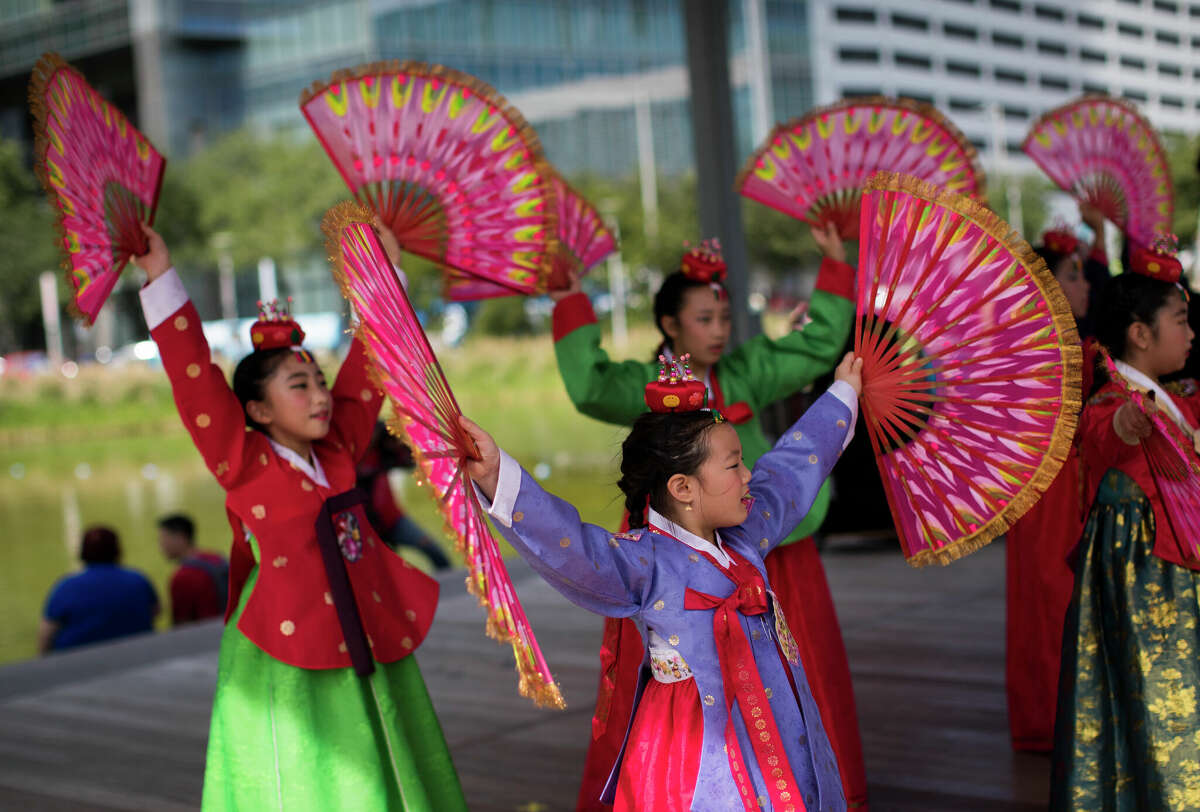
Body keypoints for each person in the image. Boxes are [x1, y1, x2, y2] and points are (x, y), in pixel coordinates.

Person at [132, 222, 466, 811]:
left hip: (361, 630)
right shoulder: (242, 461)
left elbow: (370, 365)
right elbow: (194, 378)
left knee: (384, 760)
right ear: (257, 409)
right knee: (301, 777)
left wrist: (385, 278)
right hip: (285, 647)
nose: (319, 396)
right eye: (298, 386)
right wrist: (160, 276)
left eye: (318, 381)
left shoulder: (338, 450)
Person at [463, 351, 863, 812]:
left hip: (778, 723)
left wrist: (843, 394)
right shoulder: (643, 563)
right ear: (683, 488)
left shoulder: (744, 534)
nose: (748, 475)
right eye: (734, 466)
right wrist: (497, 475)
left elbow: (792, 471)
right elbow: (570, 543)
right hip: (691, 746)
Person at [551, 231, 869, 810]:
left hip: (764, 549)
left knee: (792, 666)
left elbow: (814, 366)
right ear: (671, 326)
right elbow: (589, 385)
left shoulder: (747, 373)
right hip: (675, 571)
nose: (719, 329)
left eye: (724, 316)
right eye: (704, 318)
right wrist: (571, 300)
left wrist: (836, 277)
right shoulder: (642, 404)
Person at [1051, 243, 1199, 810]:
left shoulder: (1178, 400)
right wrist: (1129, 423)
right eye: (1180, 321)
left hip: (1178, 583)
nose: (1191, 334)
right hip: (1146, 591)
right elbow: (1105, 432)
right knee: (1155, 701)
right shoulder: (1114, 400)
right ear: (1140, 333)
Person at [1004, 214, 1102, 752]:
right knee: (1051, 599)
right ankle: (1052, 717)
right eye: (1075, 275)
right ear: (1047, 288)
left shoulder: (1067, 346)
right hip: (1045, 495)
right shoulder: (1038, 353)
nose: (1084, 285)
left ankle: (1059, 713)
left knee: (1060, 599)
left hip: (1068, 490)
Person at [39, 526, 159, 654]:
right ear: (118, 550)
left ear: (83, 553)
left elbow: (46, 635)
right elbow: (155, 611)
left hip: (78, 662)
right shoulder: (138, 580)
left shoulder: (66, 586)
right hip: (136, 655)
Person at [357, 422, 452, 570]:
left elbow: (409, 461)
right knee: (385, 572)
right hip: (364, 529)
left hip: (392, 520)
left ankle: (451, 588)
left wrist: (394, 443)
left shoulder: (382, 448)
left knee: (434, 552)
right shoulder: (348, 458)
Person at [158, 513, 230, 625]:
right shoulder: (218, 558)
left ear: (179, 538)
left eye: (163, 538)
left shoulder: (182, 577)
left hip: (206, 636)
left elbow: (181, 624)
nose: (161, 545)